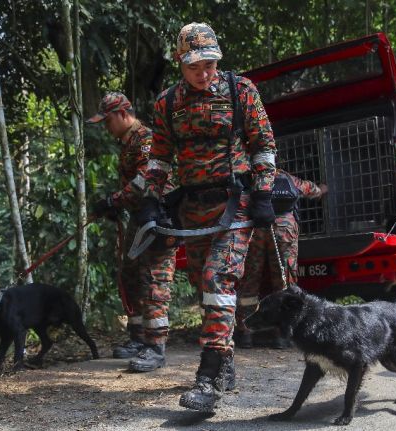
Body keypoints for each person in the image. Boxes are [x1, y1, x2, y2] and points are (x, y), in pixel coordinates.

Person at [135, 23, 277, 412]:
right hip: (192, 211)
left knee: (218, 278)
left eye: (211, 63)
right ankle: (226, 357)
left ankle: (208, 376)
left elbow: (263, 145)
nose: (205, 72)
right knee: (206, 287)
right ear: (181, 62)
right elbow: (160, 157)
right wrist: (151, 197)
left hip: (235, 206)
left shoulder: (239, 90)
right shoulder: (167, 102)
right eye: (196, 65)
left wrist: (263, 191)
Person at [87, 92, 176, 373]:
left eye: (108, 120)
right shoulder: (127, 142)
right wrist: (117, 205)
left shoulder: (146, 139)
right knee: (130, 274)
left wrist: (114, 200)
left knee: (153, 277)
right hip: (140, 217)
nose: (106, 127)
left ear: (123, 114)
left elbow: (145, 180)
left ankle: (155, 345)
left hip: (159, 217)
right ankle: (138, 338)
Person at [234, 169, 327, 349]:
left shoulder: (251, 178)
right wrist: (322, 190)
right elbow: (309, 189)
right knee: (285, 282)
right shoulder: (285, 177)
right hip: (284, 229)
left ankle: (245, 332)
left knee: (250, 281)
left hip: (256, 229)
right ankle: (282, 334)